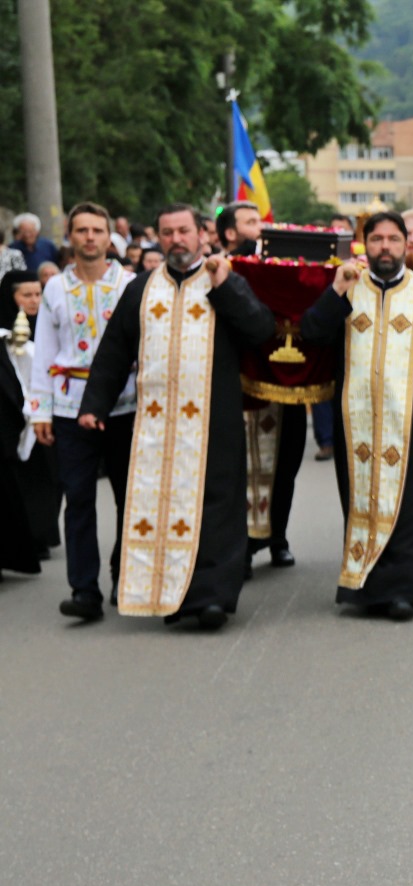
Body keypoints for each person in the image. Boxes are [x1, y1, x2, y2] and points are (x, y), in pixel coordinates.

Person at [78, 203, 276, 630]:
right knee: (163, 505)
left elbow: (261, 330)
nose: (176, 240)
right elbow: (114, 352)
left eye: (183, 231)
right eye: (167, 233)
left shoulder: (225, 280)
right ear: (159, 237)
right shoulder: (142, 289)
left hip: (215, 419)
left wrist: (226, 290)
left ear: (200, 235)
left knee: (217, 507)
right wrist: (94, 404)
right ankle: (172, 595)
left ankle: (213, 598)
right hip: (155, 426)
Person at [298, 211, 413, 621]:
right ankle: (364, 587)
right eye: (377, 240)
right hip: (354, 422)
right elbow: (312, 333)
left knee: (410, 509)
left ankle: (403, 593)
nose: (386, 248)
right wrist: (335, 291)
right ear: (365, 243)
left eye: (394, 239)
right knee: (361, 504)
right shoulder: (347, 291)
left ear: (405, 245)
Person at [28, 204, 137, 619]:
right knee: (77, 498)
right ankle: (84, 589)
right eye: (81, 230)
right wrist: (39, 410)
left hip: (124, 405)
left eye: (97, 230)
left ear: (110, 238)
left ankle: (123, 574)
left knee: (128, 497)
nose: (90, 237)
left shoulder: (130, 283)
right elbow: (45, 353)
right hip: (70, 406)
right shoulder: (54, 288)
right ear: (70, 237)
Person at [223, 199, 304, 570]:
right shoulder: (220, 269)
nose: (262, 227)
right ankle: (241, 542)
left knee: (285, 463)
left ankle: (277, 537)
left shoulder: (280, 266)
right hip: (240, 383)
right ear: (230, 233)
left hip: (287, 380)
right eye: (252, 222)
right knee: (240, 467)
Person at [2, 268, 61, 565]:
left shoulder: (49, 322)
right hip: (14, 415)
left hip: (46, 410)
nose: (34, 300)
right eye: (26, 295)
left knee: (48, 476)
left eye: (38, 294)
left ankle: (44, 533)